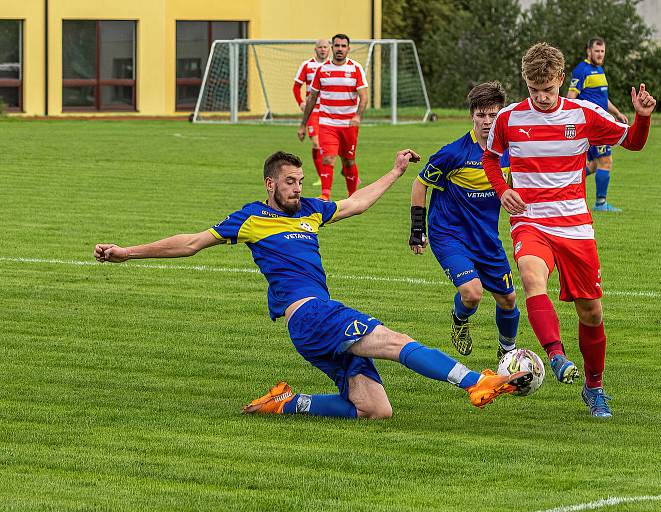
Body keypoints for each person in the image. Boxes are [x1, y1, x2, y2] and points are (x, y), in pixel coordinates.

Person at [94, 150, 533, 420]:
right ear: (270, 184)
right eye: (289, 182)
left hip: (311, 326)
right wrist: (127, 252)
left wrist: (397, 171)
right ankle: (477, 380)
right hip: (310, 313)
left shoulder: (309, 211)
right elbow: (190, 243)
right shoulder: (251, 218)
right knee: (393, 340)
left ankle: (286, 403)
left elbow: (357, 203)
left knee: (375, 410)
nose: (296, 188)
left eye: (300, 181)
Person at [482, 42, 656, 418]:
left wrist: (641, 116)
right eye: (534, 90)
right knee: (531, 277)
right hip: (530, 220)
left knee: (591, 313)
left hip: (575, 225)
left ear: (562, 79)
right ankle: (556, 357)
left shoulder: (585, 114)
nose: (542, 97)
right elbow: (491, 159)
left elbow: (635, 142)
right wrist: (503, 190)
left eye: (548, 89)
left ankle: (594, 387)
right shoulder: (509, 119)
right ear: (525, 83)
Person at [409, 81, 519, 362]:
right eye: (481, 115)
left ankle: (507, 353)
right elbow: (419, 185)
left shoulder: (510, 152)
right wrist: (417, 230)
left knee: (508, 301)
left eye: (493, 115)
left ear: (502, 115)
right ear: (472, 115)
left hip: (485, 237)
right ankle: (460, 319)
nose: (487, 122)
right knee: (472, 293)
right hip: (449, 236)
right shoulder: (454, 153)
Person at [298, 34, 368, 201]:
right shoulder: (322, 70)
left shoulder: (356, 68)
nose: (340, 49)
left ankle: (353, 197)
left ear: (348, 49)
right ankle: (325, 195)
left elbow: (364, 97)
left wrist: (358, 116)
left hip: (349, 124)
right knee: (328, 158)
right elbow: (312, 98)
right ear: (332, 47)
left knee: (349, 161)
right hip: (327, 123)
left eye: (343, 46)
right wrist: (302, 125)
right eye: (337, 46)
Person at [567, 37, 629, 213]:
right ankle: (600, 203)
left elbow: (602, 98)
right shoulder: (581, 70)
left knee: (593, 165)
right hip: (592, 125)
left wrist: (616, 113)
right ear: (589, 51)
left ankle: (563, 185)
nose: (600, 54)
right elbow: (571, 97)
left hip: (601, 122)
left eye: (602, 51)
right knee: (605, 161)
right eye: (597, 51)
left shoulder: (599, 69)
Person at [293, 39, 330, 187]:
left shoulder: (333, 66)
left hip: (329, 110)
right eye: (320, 47)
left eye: (325, 47)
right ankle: (322, 177)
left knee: (336, 145)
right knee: (316, 143)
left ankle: (350, 173)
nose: (323, 50)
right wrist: (301, 102)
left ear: (329, 49)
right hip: (313, 110)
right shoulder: (307, 65)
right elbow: (296, 87)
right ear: (315, 49)